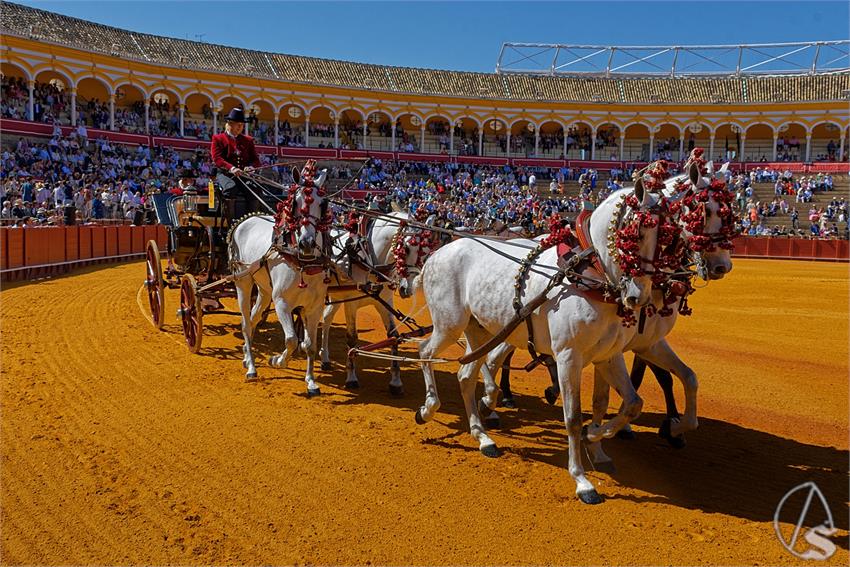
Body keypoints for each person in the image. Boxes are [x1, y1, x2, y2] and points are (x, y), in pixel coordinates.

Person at [210, 107, 261, 220]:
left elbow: (256, 160)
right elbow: (217, 159)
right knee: (230, 189)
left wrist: (251, 167)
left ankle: (251, 221)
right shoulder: (218, 138)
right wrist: (231, 168)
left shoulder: (248, 140)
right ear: (230, 124)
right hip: (225, 174)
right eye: (238, 124)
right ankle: (230, 225)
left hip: (243, 175)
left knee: (255, 189)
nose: (240, 127)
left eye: (242, 125)